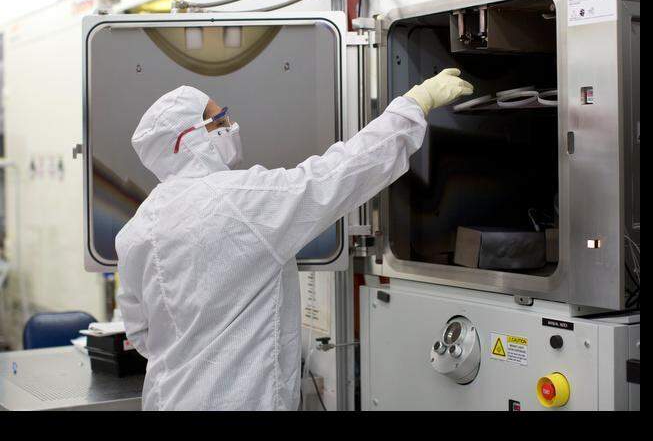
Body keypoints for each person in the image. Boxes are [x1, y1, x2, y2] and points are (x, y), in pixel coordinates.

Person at [115, 70, 473, 410]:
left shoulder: (134, 233)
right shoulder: (239, 201)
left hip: (166, 398)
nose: (229, 125)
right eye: (218, 118)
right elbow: (338, 174)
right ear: (187, 139)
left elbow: (142, 334)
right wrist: (413, 104)